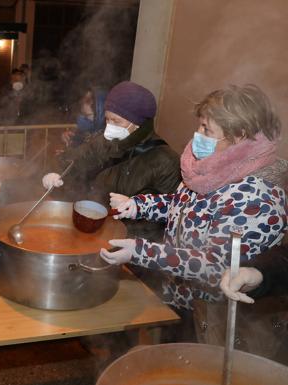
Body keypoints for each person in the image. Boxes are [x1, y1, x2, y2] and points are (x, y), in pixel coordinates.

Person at [100, 84, 287, 343]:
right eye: (199, 125)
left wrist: (140, 251)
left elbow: (216, 266)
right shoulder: (209, 171)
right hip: (179, 296)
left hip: (213, 317)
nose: (196, 134)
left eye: (206, 129)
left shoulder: (258, 198)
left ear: (239, 135)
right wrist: (139, 205)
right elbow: (182, 205)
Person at [44, 81, 181, 241]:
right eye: (107, 120)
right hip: (95, 230)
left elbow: (164, 217)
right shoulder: (104, 143)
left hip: (131, 245)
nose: (110, 127)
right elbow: (74, 159)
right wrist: (54, 172)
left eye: (116, 121)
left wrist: (130, 215)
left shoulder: (166, 161)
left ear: (137, 123)